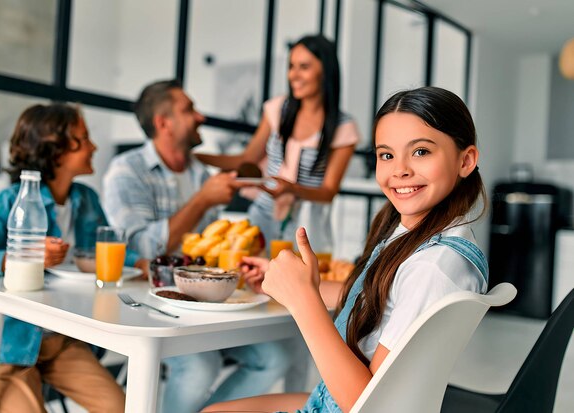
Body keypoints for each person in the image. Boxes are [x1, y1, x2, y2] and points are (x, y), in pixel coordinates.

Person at [202, 86, 489, 413]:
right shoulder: (426, 241)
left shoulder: (433, 267)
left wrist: (303, 301)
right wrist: (299, 285)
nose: (400, 170)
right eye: (386, 155)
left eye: (421, 151)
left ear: (466, 160)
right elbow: (378, 298)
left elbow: (368, 405)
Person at [102, 79, 292, 413]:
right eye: (189, 109)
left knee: (274, 358)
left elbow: (210, 248)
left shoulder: (202, 173)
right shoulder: (125, 171)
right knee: (201, 366)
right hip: (152, 303)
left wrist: (268, 204)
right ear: (164, 123)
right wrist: (201, 202)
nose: (200, 116)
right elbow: (141, 248)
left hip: (206, 303)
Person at [0, 102, 148, 412]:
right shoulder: (10, 201)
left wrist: (139, 262)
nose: (94, 146)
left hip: (61, 339)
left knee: (124, 408)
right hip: (5, 341)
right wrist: (22, 256)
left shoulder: (86, 199)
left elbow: (100, 251)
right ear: (55, 150)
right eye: (84, 138)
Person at [196, 34, 360, 254]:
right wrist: (195, 157)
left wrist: (292, 189)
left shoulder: (343, 127)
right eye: (291, 66)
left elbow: (328, 191)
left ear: (326, 71)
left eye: (304, 67)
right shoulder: (277, 109)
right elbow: (246, 158)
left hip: (307, 227)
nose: (294, 75)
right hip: (262, 217)